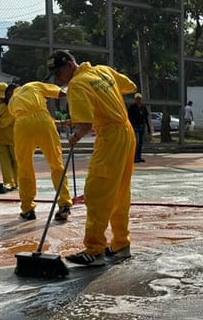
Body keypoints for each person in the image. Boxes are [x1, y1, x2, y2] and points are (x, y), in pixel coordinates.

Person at [46, 49, 137, 266]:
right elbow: (130, 87)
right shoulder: (103, 71)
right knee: (120, 192)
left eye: (59, 72)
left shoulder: (77, 85)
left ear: (69, 64)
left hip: (110, 138)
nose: (58, 78)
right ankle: (121, 245)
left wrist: (76, 136)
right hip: (126, 132)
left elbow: (85, 125)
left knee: (97, 192)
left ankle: (95, 250)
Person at [7, 81, 73, 221]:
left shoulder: (12, 103)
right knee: (56, 164)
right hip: (44, 122)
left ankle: (28, 209)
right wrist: (70, 83)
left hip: (22, 126)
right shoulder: (33, 85)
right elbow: (61, 93)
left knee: (24, 168)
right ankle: (64, 203)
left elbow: (29, 118)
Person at [0, 82, 18, 191]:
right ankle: (8, 182)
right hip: (0, 137)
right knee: (4, 161)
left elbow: (3, 123)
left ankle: (17, 181)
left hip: (12, 137)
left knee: (15, 161)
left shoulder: (11, 106)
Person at [128, 93, 153, 163]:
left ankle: (139, 157)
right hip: (135, 126)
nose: (138, 100)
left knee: (141, 143)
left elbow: (146, 118)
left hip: (142, 126)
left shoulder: (143, 107)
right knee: (137, 142)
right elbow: (128, 118)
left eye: (139, 99)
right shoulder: (132, 107)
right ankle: (135, 157)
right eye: (137, 99)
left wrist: (148, 128)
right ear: (135, 100)